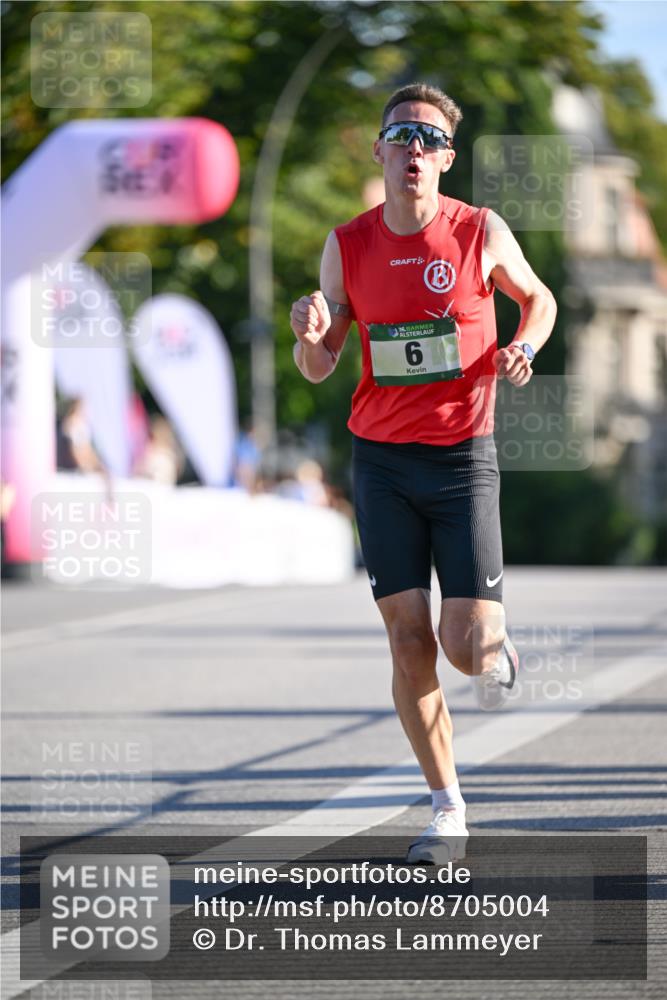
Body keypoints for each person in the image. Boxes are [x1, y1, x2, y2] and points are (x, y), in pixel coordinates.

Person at [289, 83, 557, 863]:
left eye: (428, 139)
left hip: (462, 459)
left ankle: (495, 652)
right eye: (399, 134)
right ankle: (447, 809)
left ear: (445, 158)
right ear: (378, 151)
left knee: (464, 645)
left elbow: (536, 299)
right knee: (408, 640)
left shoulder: (478, 231)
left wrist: (524, 346)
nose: (413, 149)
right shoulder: (347, 244)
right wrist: (308, 331)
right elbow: (317, 365)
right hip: (379, 460)